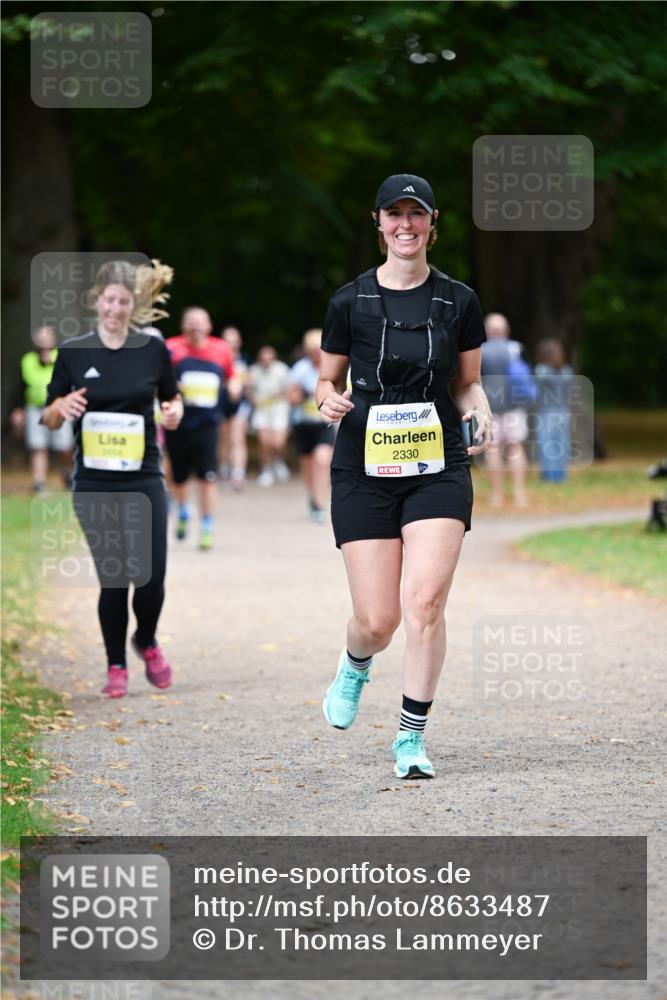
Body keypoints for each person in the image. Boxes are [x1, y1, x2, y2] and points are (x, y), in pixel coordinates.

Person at [317, 173, 491, 779]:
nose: (406, 225)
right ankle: (356, 663)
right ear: (379, 222)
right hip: (362, 467)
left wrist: (481, 408)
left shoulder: (460, 301)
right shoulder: (348, 301)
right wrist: (327, 401)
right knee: (378, 619)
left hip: (437, 465)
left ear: (432, 223)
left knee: (424, 604)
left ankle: (411, 739)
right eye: (395, 215)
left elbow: (466, 382)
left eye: (416, 215)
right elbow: (324, 379)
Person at [41, 260, 183, 698]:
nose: (115, 309)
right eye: (108, 300)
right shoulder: (74, 351)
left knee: (152, 577)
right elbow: (46, 415)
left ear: (133, 304)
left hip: (142, 477)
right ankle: (116, 664)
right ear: (96, 301)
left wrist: (174, 413)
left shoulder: (152, 350)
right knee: (114, 576)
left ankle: (146, 639)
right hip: (94, 482)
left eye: (123, 302)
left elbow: (171, 400)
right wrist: (59, 409)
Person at [165, 308, 234, 549]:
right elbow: (158, 378)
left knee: (208, 478)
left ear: (208, 325)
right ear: (183, 326)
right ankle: (183, 510)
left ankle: (207, 526)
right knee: (178, 477)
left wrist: (234, 388)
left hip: (208, 425)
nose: (195, 326)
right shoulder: (170, 348)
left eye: (200, 322)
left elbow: (231, 376)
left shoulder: (221, 349)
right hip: (177, 423)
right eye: (191, 322)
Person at [10, 326, 73, 491]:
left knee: (63, 446)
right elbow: (19, 386)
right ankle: (39, 483)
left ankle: (67, 475)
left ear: (53, 340)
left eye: (47, 339)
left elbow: (71, 382)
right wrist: (17, 409)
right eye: (41, 339)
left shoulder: (62, 357)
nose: (44, 343)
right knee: (38, 445)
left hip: (58, 407)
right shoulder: (28, 360)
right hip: (35, 408)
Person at [480, 312, 530, 508]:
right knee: (515, 447)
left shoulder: (481, 350)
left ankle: (496, 495)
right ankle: (519, 494)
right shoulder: (516, 348)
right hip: (514, 406)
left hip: (489, 407)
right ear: (506, 330)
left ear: (487, 331)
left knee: (492, 449)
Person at [287, 328, 335, 522]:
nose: (316, 354)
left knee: (322, 461)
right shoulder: (300, 369)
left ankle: (319, 503)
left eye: (319, 349)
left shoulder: (333, 366)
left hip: (324, 423)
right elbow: (291, 397)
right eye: (312, 350)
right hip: (303, 423)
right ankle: (312, 497)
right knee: (307, 467)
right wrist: (301, 395)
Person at [247, 345, 291, 487]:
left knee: (277, 442)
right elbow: (249, 390)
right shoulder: (254, 371)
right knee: (265, 442)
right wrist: (255, 399)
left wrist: (276, 397)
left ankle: (278, 460)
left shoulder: (282, 370)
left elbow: (289, 390)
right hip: (262, 410)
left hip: (279, 409)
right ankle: (266, 470)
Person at [534, 338, 573, 482]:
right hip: (562, 413)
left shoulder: (541, 370)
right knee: (561, 444)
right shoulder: (567, 371)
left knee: (547, 445)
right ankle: (560, 475)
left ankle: (549, 476)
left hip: (546, 413)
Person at [219, 325, 251, 491]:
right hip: (221, 402)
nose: (231, 344)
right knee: (223, 439)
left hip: (240, 403)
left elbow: (248, 383)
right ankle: (224, 469)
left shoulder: (244, 360)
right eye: (228, 341)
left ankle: (238, 473)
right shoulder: (217, 358)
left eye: (234, 341)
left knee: (237, 438)